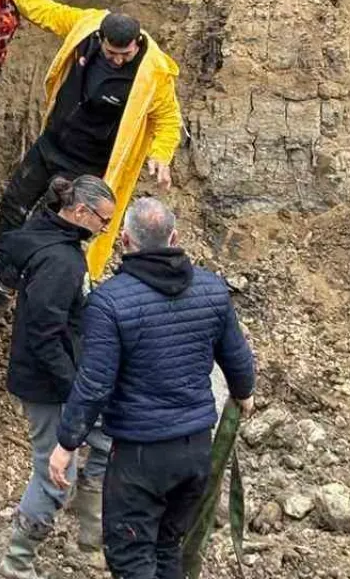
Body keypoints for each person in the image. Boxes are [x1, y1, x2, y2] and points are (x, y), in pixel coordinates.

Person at [47, 198, 256, 579]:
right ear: (175, 237)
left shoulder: (110, 301)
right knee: (166, 548)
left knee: (131, 558)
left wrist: (66, 444)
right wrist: (244, 393)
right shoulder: (212, 289)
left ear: (125, 240)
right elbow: (237, 358)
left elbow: (94, 385)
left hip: (140, 457)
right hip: (195, 451)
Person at [0, 0, 181, 306]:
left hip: (85, 168)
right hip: (51, 145)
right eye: (111, 53)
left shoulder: (153, 72)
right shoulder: (87, 27)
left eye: (125, 54)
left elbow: (168, 118)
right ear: (100, 40)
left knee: (42, 230)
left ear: (136, 44)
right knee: (12, 205)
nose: (118, 60)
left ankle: (2, 290)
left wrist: (161, 153)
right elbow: (47, 12)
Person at [0, 172, 118, 579]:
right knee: (54, 471)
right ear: (80, 211)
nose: (105, 229)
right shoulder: (61, 261)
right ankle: (17, 562)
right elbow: (44, 334)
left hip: (64, 376)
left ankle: (90, 539)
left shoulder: (53, 237)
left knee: (102, 443)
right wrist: (75, 390)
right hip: (49, 385)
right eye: (103, 220)